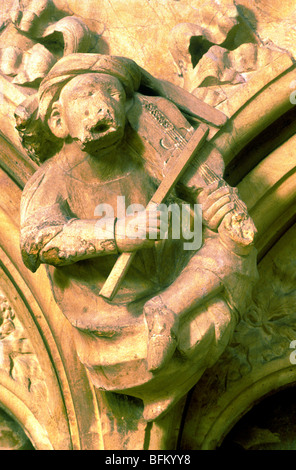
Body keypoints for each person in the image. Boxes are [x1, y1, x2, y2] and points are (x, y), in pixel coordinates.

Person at [18, 53, 258, 420]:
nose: (101, 106)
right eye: (85, 96)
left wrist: (206, 217)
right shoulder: (51, 180)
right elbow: (37, 240)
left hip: (176, 298)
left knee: (236, 244)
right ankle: (165, 324)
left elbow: (183, 225)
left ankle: (168, 308)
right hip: (112, 328)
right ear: (56, 121)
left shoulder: (146, 159)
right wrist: (119, 233)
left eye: (113, 95)